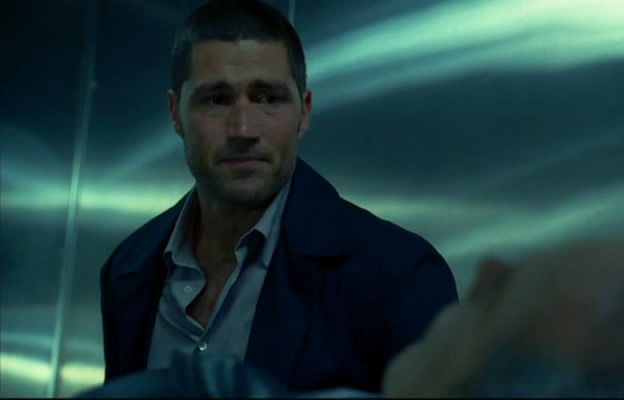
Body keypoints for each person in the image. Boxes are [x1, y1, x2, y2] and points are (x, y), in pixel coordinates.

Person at [99, 0, 457, 393]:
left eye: (268, 98)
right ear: (175, 113)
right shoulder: (128, 271)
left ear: (304, 112)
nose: (243, 129)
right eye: (216, 99)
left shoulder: (398, 277)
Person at [83, 239, 624, 398]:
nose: (486, 268)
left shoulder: (394, 265)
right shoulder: (133, 261)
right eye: (215, 98)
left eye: (502, 296)